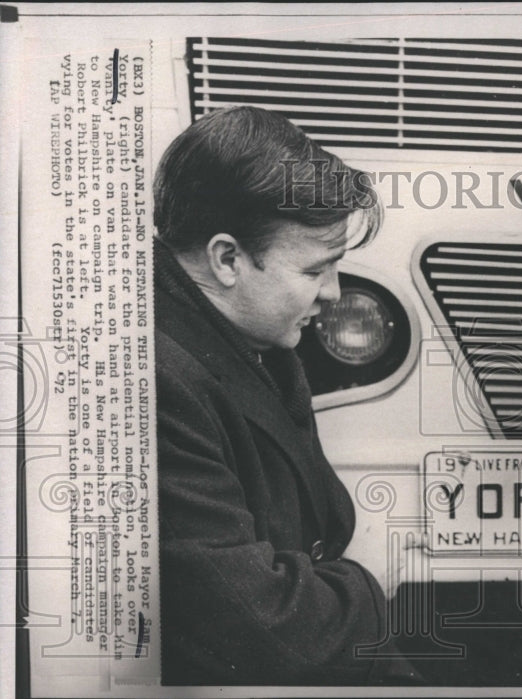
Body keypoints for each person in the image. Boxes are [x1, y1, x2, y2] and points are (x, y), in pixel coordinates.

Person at [154, 106, 419, 685]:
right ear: (228, 259)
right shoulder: (162, 382)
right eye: (315, 270)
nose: (333, 294)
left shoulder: (246, 335)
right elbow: (258, 627)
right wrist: (369, 580)